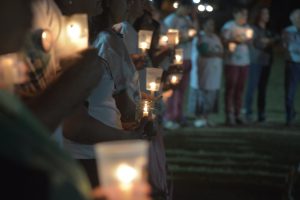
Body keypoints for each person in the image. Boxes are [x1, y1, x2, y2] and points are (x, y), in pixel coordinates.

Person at [163, 0, 194, 129]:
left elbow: (192, 33)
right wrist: (183, 38)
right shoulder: (171, 20)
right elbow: (169, 41)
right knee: (172, 89)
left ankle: (179, 115)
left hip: (187, 56)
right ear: (179, 6)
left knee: (182, 89)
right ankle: (169, 117)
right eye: (186, 8)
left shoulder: (188, 19)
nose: (188, 11)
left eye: (189, 8)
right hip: (175, 57)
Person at [244, 6, 278, 123]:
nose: (266, 16)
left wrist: (270, 41)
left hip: (267, 61)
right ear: (259, 15)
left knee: (262, 89)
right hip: (256, 61)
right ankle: (248, 112)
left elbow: (276, 39)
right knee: (252, 87)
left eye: (267, 14)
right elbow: (254, 43)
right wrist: (264, 42)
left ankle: (261, 113)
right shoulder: (253, 28)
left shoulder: (268, 29)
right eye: (264, 14)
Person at [188, 18, 224, 127]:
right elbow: (204, 52)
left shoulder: (215, 37)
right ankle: (199, 117)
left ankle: (206, 117)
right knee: (201, 92)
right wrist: (216, 54)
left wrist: (217, 54)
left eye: (213, 25)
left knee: (211, 93)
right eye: (209, 24)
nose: (211, 27)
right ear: (203, 26)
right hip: (203, 70)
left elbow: (221, 52)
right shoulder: (200, 38)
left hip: (214, 72)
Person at [221, 7, 252, 125]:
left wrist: (248, 41)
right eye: (242, 14)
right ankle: (229, 114)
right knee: (231, 88)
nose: (244, 17)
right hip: (232, 62)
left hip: (244, 61)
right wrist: (234, 41)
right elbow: (224, 40)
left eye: (246, 15)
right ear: (235, 14)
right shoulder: (229, 26)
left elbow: (249, 40)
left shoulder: (247, 27)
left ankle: (237, 113)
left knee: (240, 88)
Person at [282, 9, 300, 126]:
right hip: (293, 63)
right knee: (290, 91)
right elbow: (290, 47)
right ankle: (289, 116)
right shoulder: (288, 31)